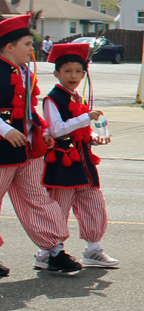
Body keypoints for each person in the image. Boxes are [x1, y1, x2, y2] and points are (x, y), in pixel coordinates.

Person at [0, 14, 82, 275]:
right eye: (27, 43)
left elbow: (27, 109)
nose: (32, 49)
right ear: (10, 46)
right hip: (2, 150)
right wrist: (4, 130)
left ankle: (53, 251)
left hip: (26, 150)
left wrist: (42, 130)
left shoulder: (24, 72)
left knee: (38, 199)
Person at [35, 43, 119, 268]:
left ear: (84, 73)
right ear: (57, 73)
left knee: (94, 203)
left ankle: (93, 249)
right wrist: (86, 118)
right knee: (59, 208)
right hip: (63, 162)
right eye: (67, 71)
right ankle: (47, 251)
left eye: (78, 71)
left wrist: (92, 137)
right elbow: (56, 129)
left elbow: (76, 129)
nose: (73, 76)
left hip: (82, 160)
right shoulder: (53, 99)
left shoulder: (75, 98)